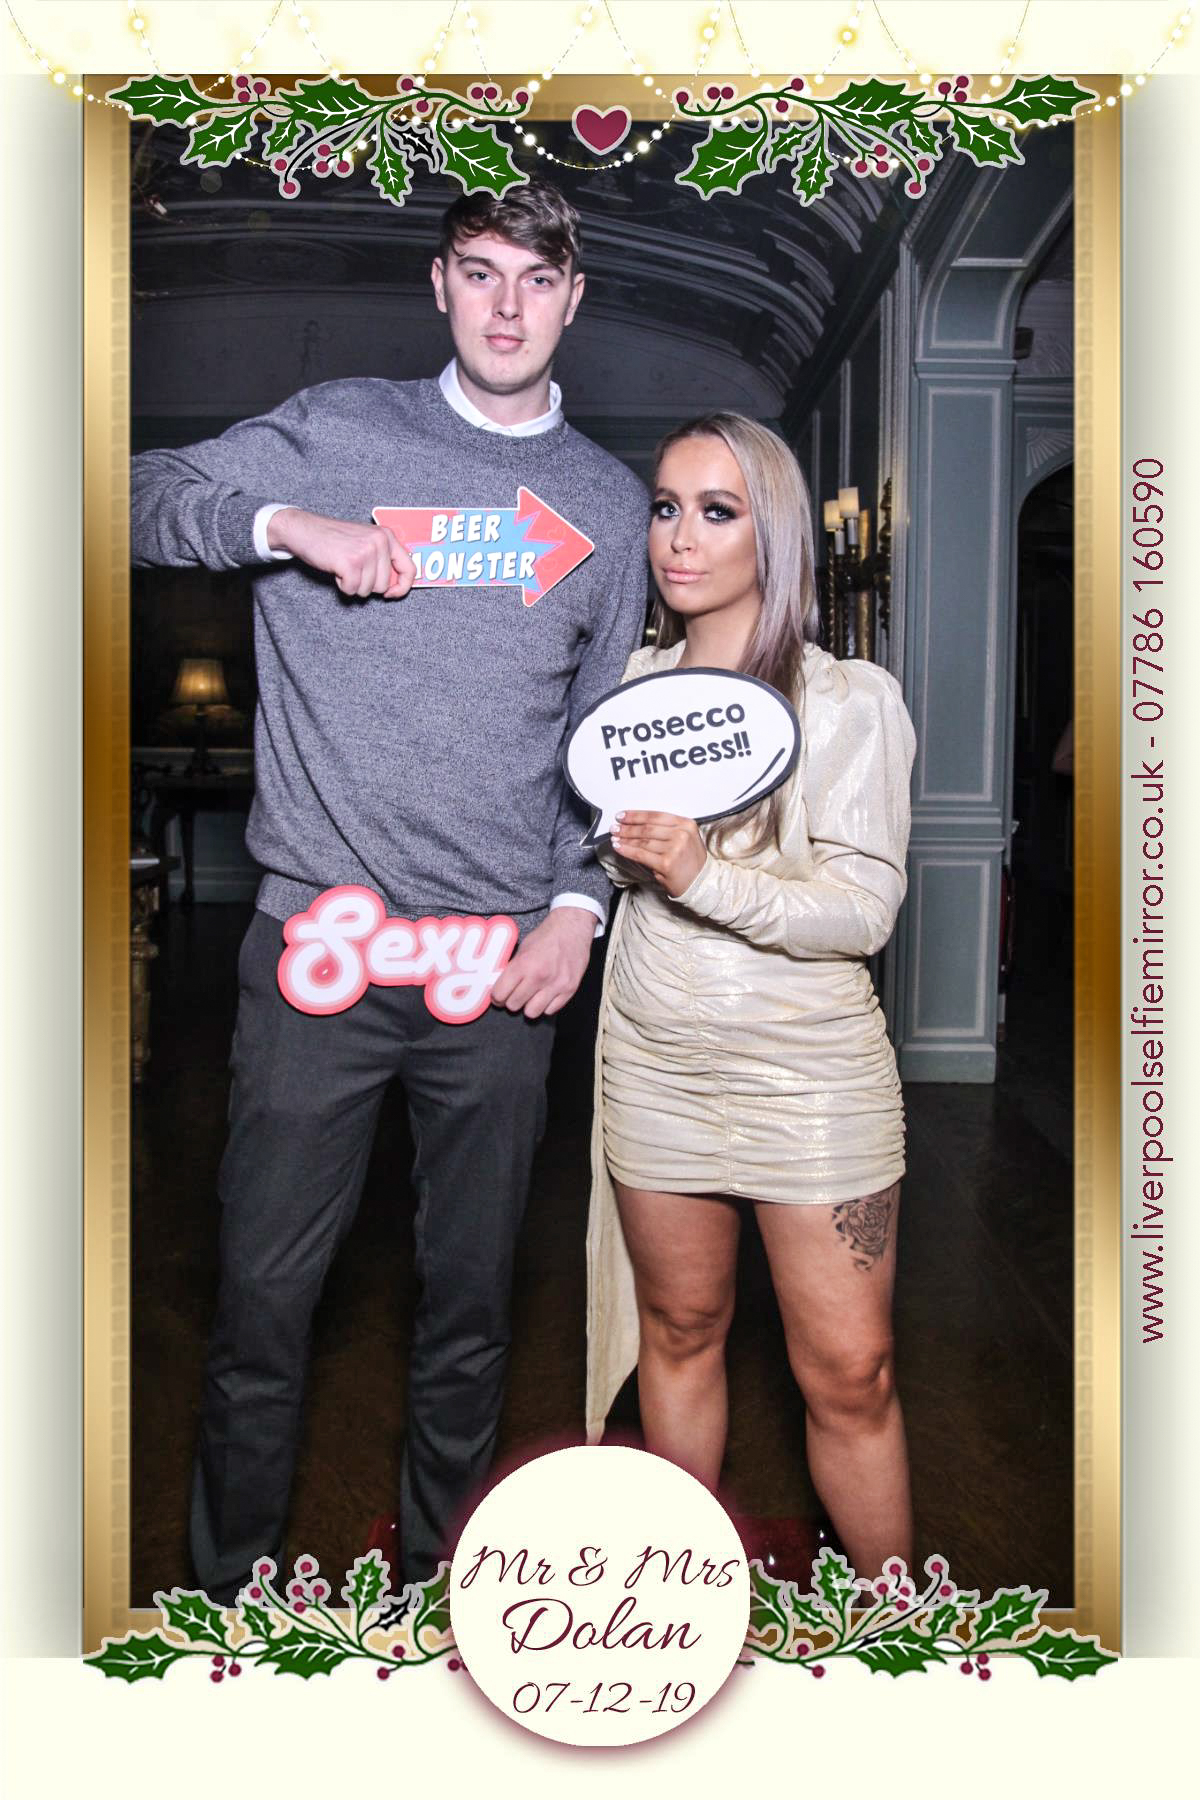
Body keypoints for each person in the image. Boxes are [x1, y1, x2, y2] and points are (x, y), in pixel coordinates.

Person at [131, 181, 649, 1597]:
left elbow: (605, 740)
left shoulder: (609, 507)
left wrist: (579, 907)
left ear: (573, 299)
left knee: (471, 1312)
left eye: (534, 280)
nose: (504, 306)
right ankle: (229, 1604)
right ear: (439, 286)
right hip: (324, 954)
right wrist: (290, 524)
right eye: (479, 273)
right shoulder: (338, 427)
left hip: (500, 973)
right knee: (261, 1299)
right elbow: (132, 498)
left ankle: (438, 1594)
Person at [585, 413, 916, 1579]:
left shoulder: (848, 700)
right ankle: (685, 1603)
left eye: (717, 512)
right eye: (665, 507)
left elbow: (864, 912)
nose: (680, 538)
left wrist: (702, 875)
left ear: (771, 535)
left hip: (809, 1073)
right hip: (657, 1061)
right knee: (678, 1332)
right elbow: (602, 864)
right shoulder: (627, 690)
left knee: (851, 1373)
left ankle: (901, 1633)